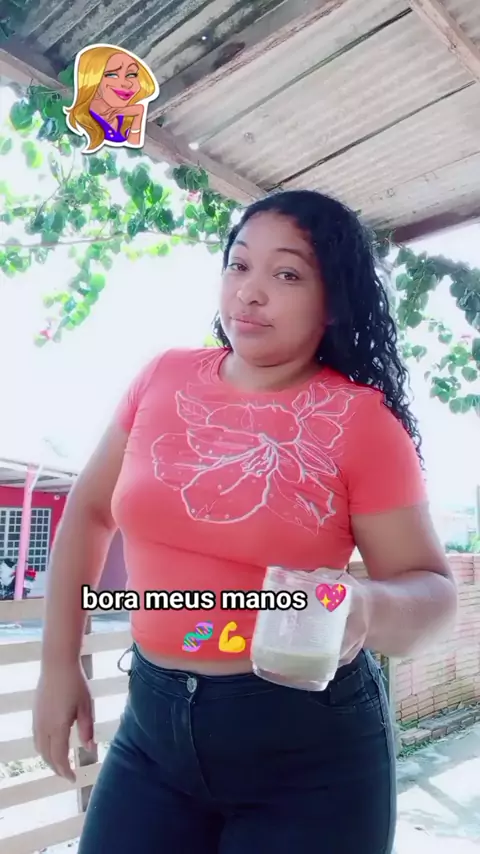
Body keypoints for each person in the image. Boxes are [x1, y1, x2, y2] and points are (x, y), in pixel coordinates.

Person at [33, 190, 458, 853]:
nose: (250, 292)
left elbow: (434, 594)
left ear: (332, 300)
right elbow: (88, 513)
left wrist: (366, 605)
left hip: (308, 752)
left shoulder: (363, 424)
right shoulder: (162, 377)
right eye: (238, 265)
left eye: (286, 274)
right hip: (152, 731)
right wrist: (59, 665)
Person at [64, 43, 158, 154]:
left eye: (131, 75)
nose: (127, 83)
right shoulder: (83, 121)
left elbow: (134, 145)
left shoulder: (125, 118)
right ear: (92, 79)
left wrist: (139, 114)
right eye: (112, 75)